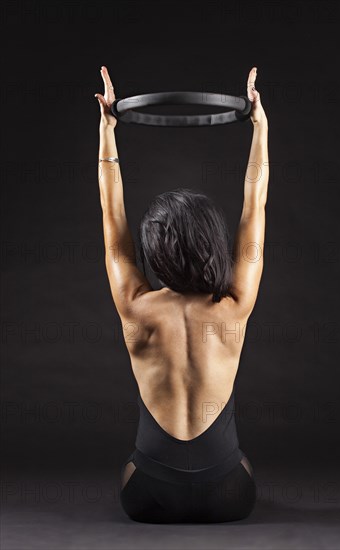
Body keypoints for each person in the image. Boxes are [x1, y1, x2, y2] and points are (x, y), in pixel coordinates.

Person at [94, 65, 269, 523]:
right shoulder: (234, 307)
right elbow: (255, 207)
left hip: (148, 498)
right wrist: (259, 126)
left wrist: (108, 131)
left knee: (132, 468)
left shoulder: (135, 307)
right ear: (213, 240)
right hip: (228, 495)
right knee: (241, 464)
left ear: (153, 249)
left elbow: (113, 220)